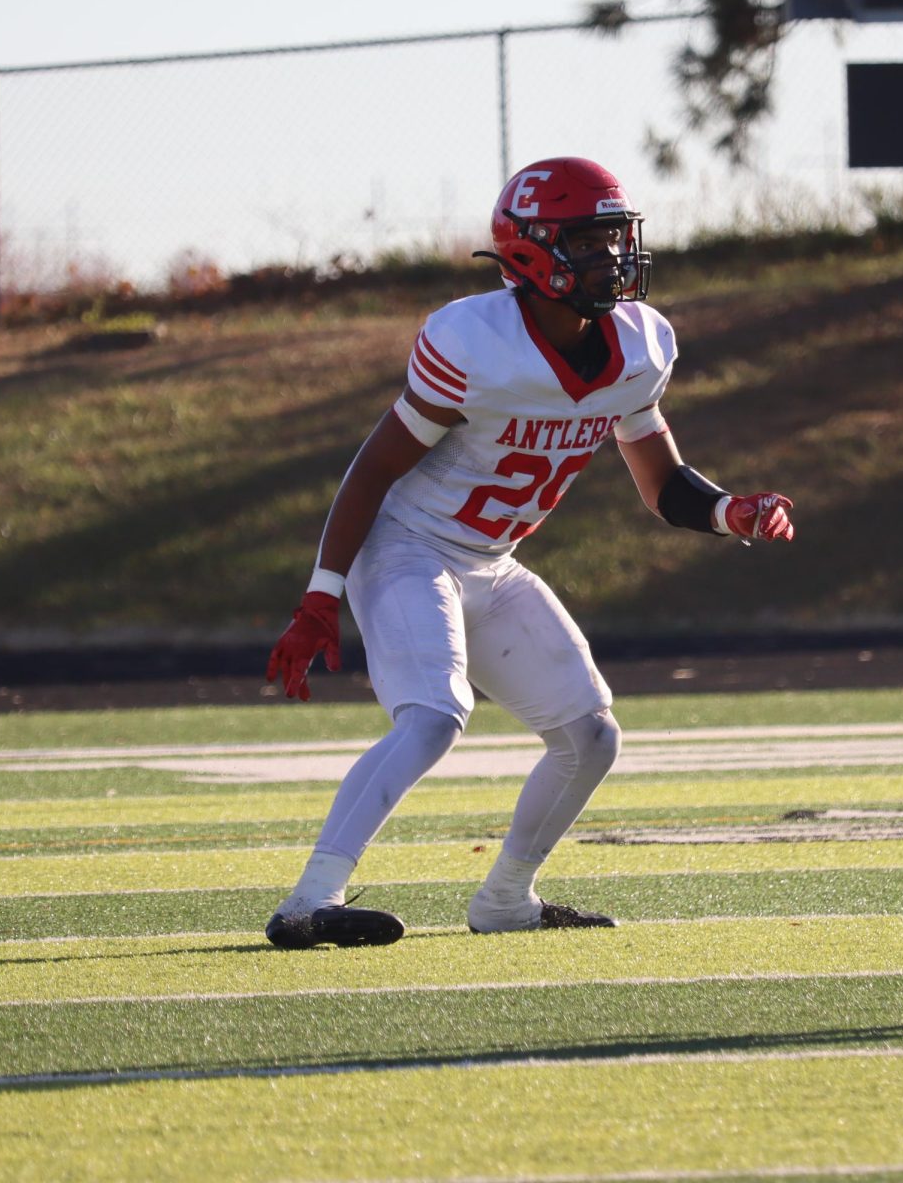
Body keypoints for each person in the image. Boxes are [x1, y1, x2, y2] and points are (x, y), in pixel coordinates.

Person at [264, 156, 794, 950]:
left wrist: (729, 512)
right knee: (435, 717)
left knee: (591, 735)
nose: (610, 259)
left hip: (491, 559)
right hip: (409, 548)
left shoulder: (642, 344)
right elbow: (374, 467)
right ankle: (308, 902)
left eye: (616, 238)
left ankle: (507, 898)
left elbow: (661, 481)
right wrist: (321, 595)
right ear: (530, 252)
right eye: (587, 242)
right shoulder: (474, 340)